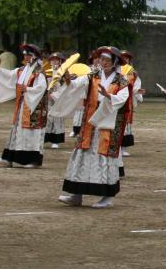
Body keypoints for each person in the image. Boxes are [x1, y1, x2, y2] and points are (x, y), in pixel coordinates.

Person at [50, 46, 131, 208]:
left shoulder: (121, 80)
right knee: (82, 154)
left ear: (114, 62)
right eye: (102, 59)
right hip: (90, 123)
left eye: (108, 60)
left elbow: (123, 98)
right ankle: (76, 194)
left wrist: (109, 96)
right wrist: (66, 78)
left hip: (107, 124)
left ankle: (107, 197)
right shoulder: (93, 75)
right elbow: (76, 85)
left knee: (104, 157)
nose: (104, 62)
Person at [0, 44, 48, 168]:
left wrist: (27, 89)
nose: (26, 57)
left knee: (31, 132)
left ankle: (33, 160)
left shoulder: (39, 71)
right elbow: (10, 76)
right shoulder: (23, 70)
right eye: (25, 55)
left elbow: (42, 87)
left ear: (34, 56)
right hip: (23, 104)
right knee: (17, 130)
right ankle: (10, 157)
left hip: (33, 106)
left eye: (28, 55)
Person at [43, 52, 69, 149]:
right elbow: (44, 84)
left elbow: (65, 86)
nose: (54, 61)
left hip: (59, 97)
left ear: (60, 61)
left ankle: (56, 140)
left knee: (58, 118)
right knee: (48, 117)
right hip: (49, 97)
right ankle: (46, 138)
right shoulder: (47, 71)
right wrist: (47, 93)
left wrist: (56, 94)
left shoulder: (63, 72)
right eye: (52, 59)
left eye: (56, 59)